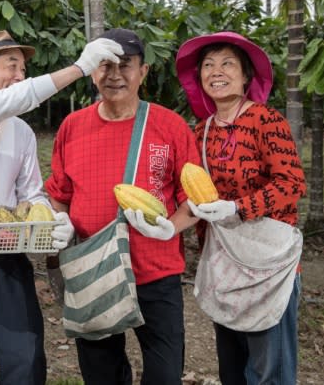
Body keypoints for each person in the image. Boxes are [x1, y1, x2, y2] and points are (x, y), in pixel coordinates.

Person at [0, 30, 126, 385]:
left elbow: (30, 192)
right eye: (11, 66)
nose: (19, 75)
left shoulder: (22, 133)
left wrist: (52, 218)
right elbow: (22, 96)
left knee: (26, 359)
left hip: (5, 246)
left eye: (22, 68)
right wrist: (80, 67)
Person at [45, 28, 201, 385]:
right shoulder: (73, 126)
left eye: (126, 66)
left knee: (165, 373)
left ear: (143, 72)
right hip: (93, 268)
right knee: (102, 373)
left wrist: (171, 227)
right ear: (93, 71)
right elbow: (59, 192)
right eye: (105, 66)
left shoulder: (169, 126)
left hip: (155, 272)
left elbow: (193, 198)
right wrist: (60, 221)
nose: (115, 75)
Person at [176, 31, 306, 384]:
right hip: (224, 261)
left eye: (227, 64)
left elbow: (292, 184)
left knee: (269, 370)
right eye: (208, 65)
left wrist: (237, 208)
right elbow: (194, 196)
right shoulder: (201, 131)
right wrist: (168, 224)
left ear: (247, 75)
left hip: (267, 263)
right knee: (232, 366)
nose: (216, 71)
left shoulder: (266, 120)